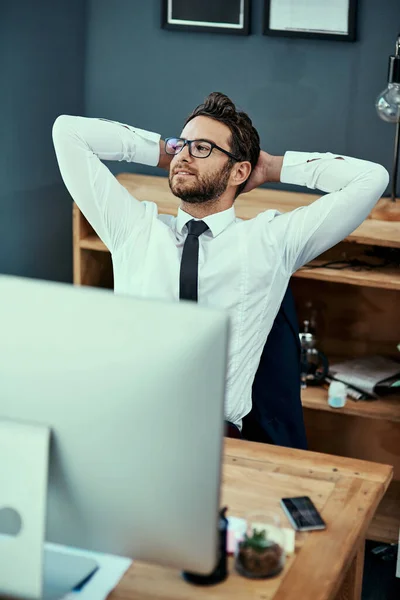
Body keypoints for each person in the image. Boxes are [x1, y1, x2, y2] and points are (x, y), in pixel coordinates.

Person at [52, 92, 389, 436]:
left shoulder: (271, 242)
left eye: (202, 148)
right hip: (130, 423)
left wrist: (272, 167)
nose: (183, 155)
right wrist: (161, 152)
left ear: (239, 171)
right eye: (181, 145)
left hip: (218, 437)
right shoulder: (134, 228)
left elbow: (370, 179)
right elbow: (68, 133)